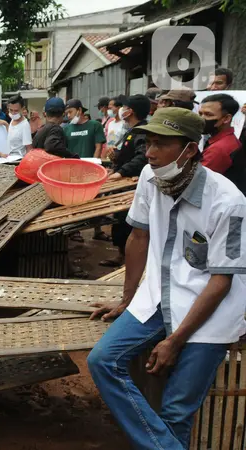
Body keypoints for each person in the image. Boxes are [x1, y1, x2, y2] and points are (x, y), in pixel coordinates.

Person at [88, 106, 246, 450]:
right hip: (158, 296)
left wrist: (175, 342)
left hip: (211, 310)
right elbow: (138, 237)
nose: (150, 152)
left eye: (161, 144)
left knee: (176, 410)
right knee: (102, 360)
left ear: (190, 149)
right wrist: (127, 298)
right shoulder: (149, 176)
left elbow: (221, 282)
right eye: (149, 142)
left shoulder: (229, 202)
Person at [102, 94, 151, 267]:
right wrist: (116, 157)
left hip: (133, 187)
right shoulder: (132, 130)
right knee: (120, 221)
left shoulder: (143, 131)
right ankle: (121, 255)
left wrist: (121, 172)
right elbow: (130, 154)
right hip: (124, 185)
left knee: (130, 223)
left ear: (130, 111)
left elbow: (142, 157)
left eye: (124, 107)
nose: (120, 110)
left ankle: (131, 260)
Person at [198, 94, 242, 176]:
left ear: (226, 119)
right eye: (200, 114)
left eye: (208, 114)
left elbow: (197, 178)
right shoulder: (227, 140)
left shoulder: (218, 149)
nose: (201, 119)